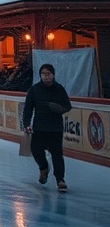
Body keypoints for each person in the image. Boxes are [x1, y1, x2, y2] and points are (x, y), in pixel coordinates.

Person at [23, 63, 72, 193]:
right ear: (40, 75)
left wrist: (59, 108)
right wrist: (26, 123)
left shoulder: (59, 89)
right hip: (39, 126)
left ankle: (60, 179)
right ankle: (43, 168)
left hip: (55, 127)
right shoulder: (34, 89)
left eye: (48, 74)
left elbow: (67, 105)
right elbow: (28, 108)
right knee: (36, 150)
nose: (46, 77)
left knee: (57, 154)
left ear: (53, 75)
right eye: (43, 74)